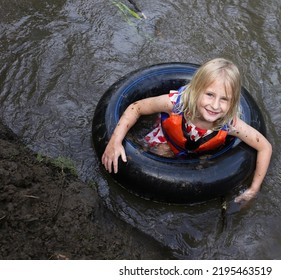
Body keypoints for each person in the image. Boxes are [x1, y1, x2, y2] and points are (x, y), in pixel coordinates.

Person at [101, 58, 272, 203]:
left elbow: (264, 147)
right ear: (196, 90)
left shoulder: (228, 124)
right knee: (156, 159)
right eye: (210, 95)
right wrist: (115, 141)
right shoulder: (176, 104)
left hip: (199, 151)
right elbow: (136, 108)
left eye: (224, 99)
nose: (215, 105)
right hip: (167, 140)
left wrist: (254, 188)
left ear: (233, 102)